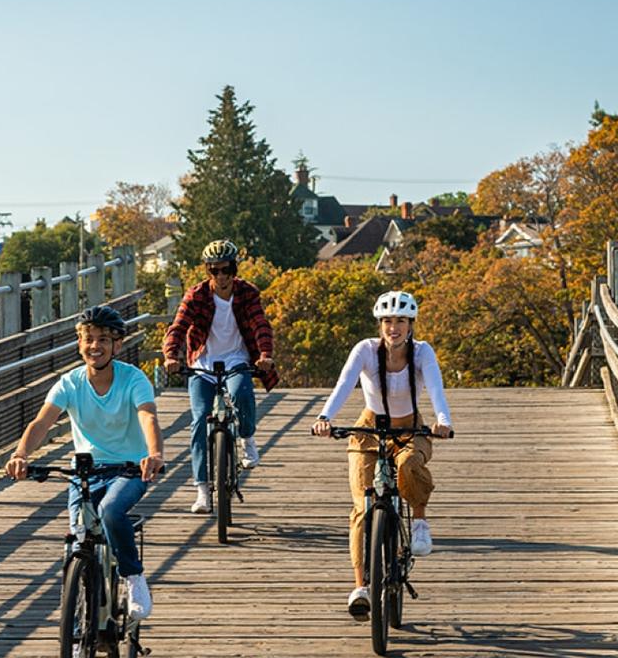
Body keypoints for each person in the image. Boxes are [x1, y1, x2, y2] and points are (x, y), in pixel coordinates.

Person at [7, 305, 166, 619]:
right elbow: (41, 423)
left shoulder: (133, 379)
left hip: (129, 468)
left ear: (117, 345)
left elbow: (147, 415)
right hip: (86, 471)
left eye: (103, 339)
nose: (95, 346)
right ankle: (78, 634)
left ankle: (134, 577)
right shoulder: (70, 382)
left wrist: (154, 453)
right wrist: (20, 454)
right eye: (88, 339)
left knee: (111, 511)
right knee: (79, 541)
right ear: (79, 344)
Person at [308, 290, 453, 621]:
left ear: (411, 324)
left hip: (411, 429)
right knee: (363, 505)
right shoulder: (365, 351)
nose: (394, 328)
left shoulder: (422, 353)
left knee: (408, 464)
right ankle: (361, 586)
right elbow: (344, 384)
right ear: (380, 325)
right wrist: (325, 418)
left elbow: (435, 388)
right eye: (388, 321)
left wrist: (443, 421)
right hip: (369, 429)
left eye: (401, 321)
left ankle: (418, 521)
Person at [163, 240, 279, 514]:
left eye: (226, 270)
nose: (221, 276)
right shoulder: (196, 296)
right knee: (200, 420)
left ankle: (247, 439)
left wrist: (264, 355)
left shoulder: (247, 293)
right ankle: (202, 490)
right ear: (208, 272)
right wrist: (170, 356)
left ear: (234, 269)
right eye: (214, 271)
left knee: (241, 393)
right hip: (202, 363)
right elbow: (178, 328)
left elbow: (260, 324)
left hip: (236, 359)